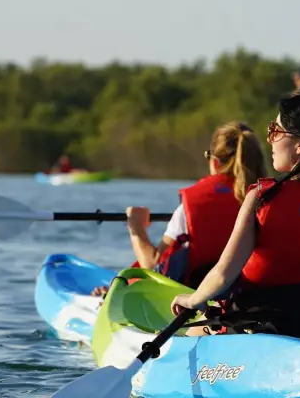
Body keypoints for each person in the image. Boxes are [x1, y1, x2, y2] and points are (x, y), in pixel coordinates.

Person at [170, 93, 300, 350]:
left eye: (275, 131)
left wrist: (195, 299)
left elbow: (224, 272)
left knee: (193, 333)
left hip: (264, 327)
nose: (270, 140)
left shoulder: (263, 196)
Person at [91, 121, 266, 295]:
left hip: (198, 299)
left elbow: (153, 267)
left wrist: (136, 227)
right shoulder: (270, 198)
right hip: (255, 294)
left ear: (215, 162)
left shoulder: (192, 206)